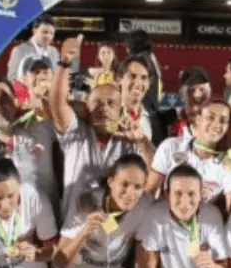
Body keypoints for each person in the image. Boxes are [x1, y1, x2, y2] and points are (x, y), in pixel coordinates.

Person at [49, 52, 154, 219]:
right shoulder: (76, 131)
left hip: (114, 227)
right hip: (74, 225)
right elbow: (56, 104)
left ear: (120, 110)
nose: (103, 107)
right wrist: (64, 63)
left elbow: (152, 174)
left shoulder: (129, 141)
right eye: (97, 102)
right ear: (86, 107)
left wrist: (141, 141)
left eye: (111, 103)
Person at [51, 155, 152, 268]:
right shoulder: (86, 201)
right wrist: (85, 231)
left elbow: (143, 256)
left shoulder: (144, 205)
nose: (130, 193)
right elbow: (59, 263)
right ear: (111, 181)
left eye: (138, 187)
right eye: (124, 184)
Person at [0, 76, 60, 220]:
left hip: (47, 223)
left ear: (15, 103)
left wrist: (36, 106)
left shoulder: (41, 130)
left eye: (4, 99)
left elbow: (81, 113)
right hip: (0, 228)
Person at [146, 100, 231, 213]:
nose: (217, 125)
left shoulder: (229, 162)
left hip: (202, 220)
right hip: (165, 215)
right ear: (198, 120)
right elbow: (150, 191)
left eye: (223, 121)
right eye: (211, 117)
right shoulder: (171, 147)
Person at [7, 15, 59, 82]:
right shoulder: (20, 50)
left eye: (51, 34)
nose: (48, 36)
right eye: (44, 32)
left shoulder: (54, 52)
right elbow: (12, 78)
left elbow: (56, 77)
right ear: (34, 31)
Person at [123, 30, 162, 112]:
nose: (126, 49)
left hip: (141, 111)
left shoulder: (138, 61)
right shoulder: (151, 58)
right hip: (150, 109)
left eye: (128, 45)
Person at [167, 67, 211, 139]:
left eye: (202, 90)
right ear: (182, 92)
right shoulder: (172, 121)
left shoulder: (214, 121)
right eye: (191, 90)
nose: (196, 95)